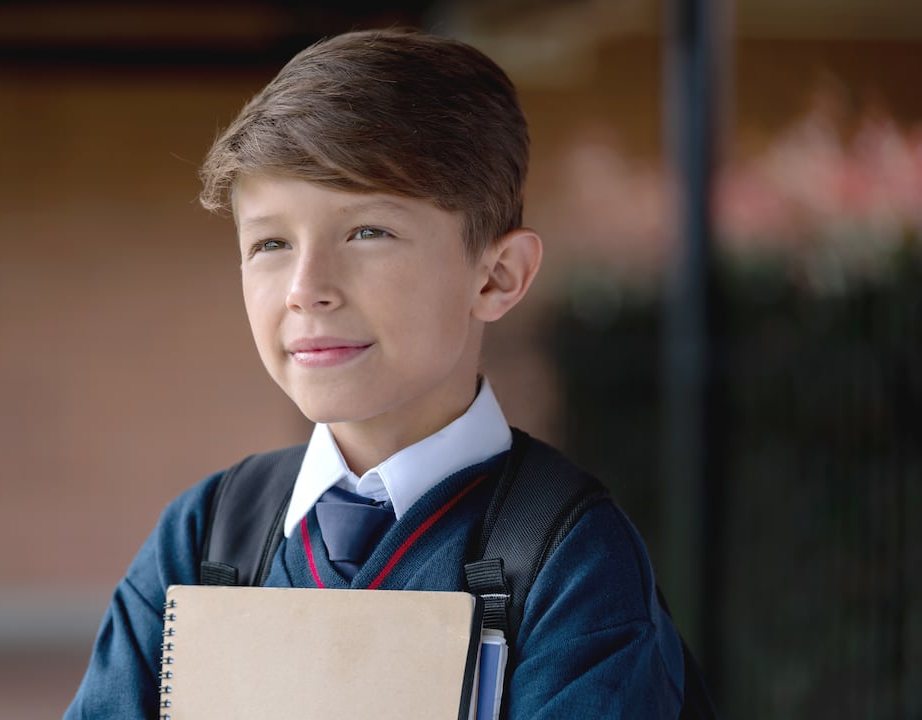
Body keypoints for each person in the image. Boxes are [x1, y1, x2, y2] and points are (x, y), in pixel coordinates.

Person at [65, 28, 685, 719]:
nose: (307, 287)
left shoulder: (566, 561)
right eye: (270, 243)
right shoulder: (202, 541)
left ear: (497, 276)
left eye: (368, 233)